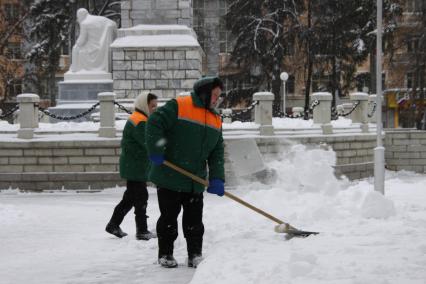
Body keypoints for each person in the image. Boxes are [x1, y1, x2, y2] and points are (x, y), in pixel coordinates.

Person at [146, 76, 225, 268]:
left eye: (219, 97)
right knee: (168, 219)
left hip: (195, 180)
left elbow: (217, 151)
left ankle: (195, 254)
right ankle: (165, 254)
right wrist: (156, 149)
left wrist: (217, 178)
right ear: (205, 93)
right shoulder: (179, 105)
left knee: (194, 221)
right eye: (214, 95)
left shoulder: (215, 119)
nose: (217, 100)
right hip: (170, 177)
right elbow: (155, 122)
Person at [105, 92, 158, 240]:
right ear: (144, 105)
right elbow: (148, 143)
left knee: (130, 198)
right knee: (141, 197)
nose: (155, 109)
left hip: (134, 165)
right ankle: (142, 231)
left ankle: (113, 224)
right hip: (135, 166)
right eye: (152, 106)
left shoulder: (141, 118)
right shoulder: (140, 121)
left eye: (156, 106)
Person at [70, 8, 117, 73]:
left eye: (78, 17)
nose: (78, 19)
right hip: (103, 45)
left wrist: (76, 44)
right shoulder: (99, 19)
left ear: (81, 15)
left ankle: (76, 70)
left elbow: (81, 40)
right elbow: (113, 23)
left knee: (76, 49)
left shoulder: (84, 23)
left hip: (95, 48)